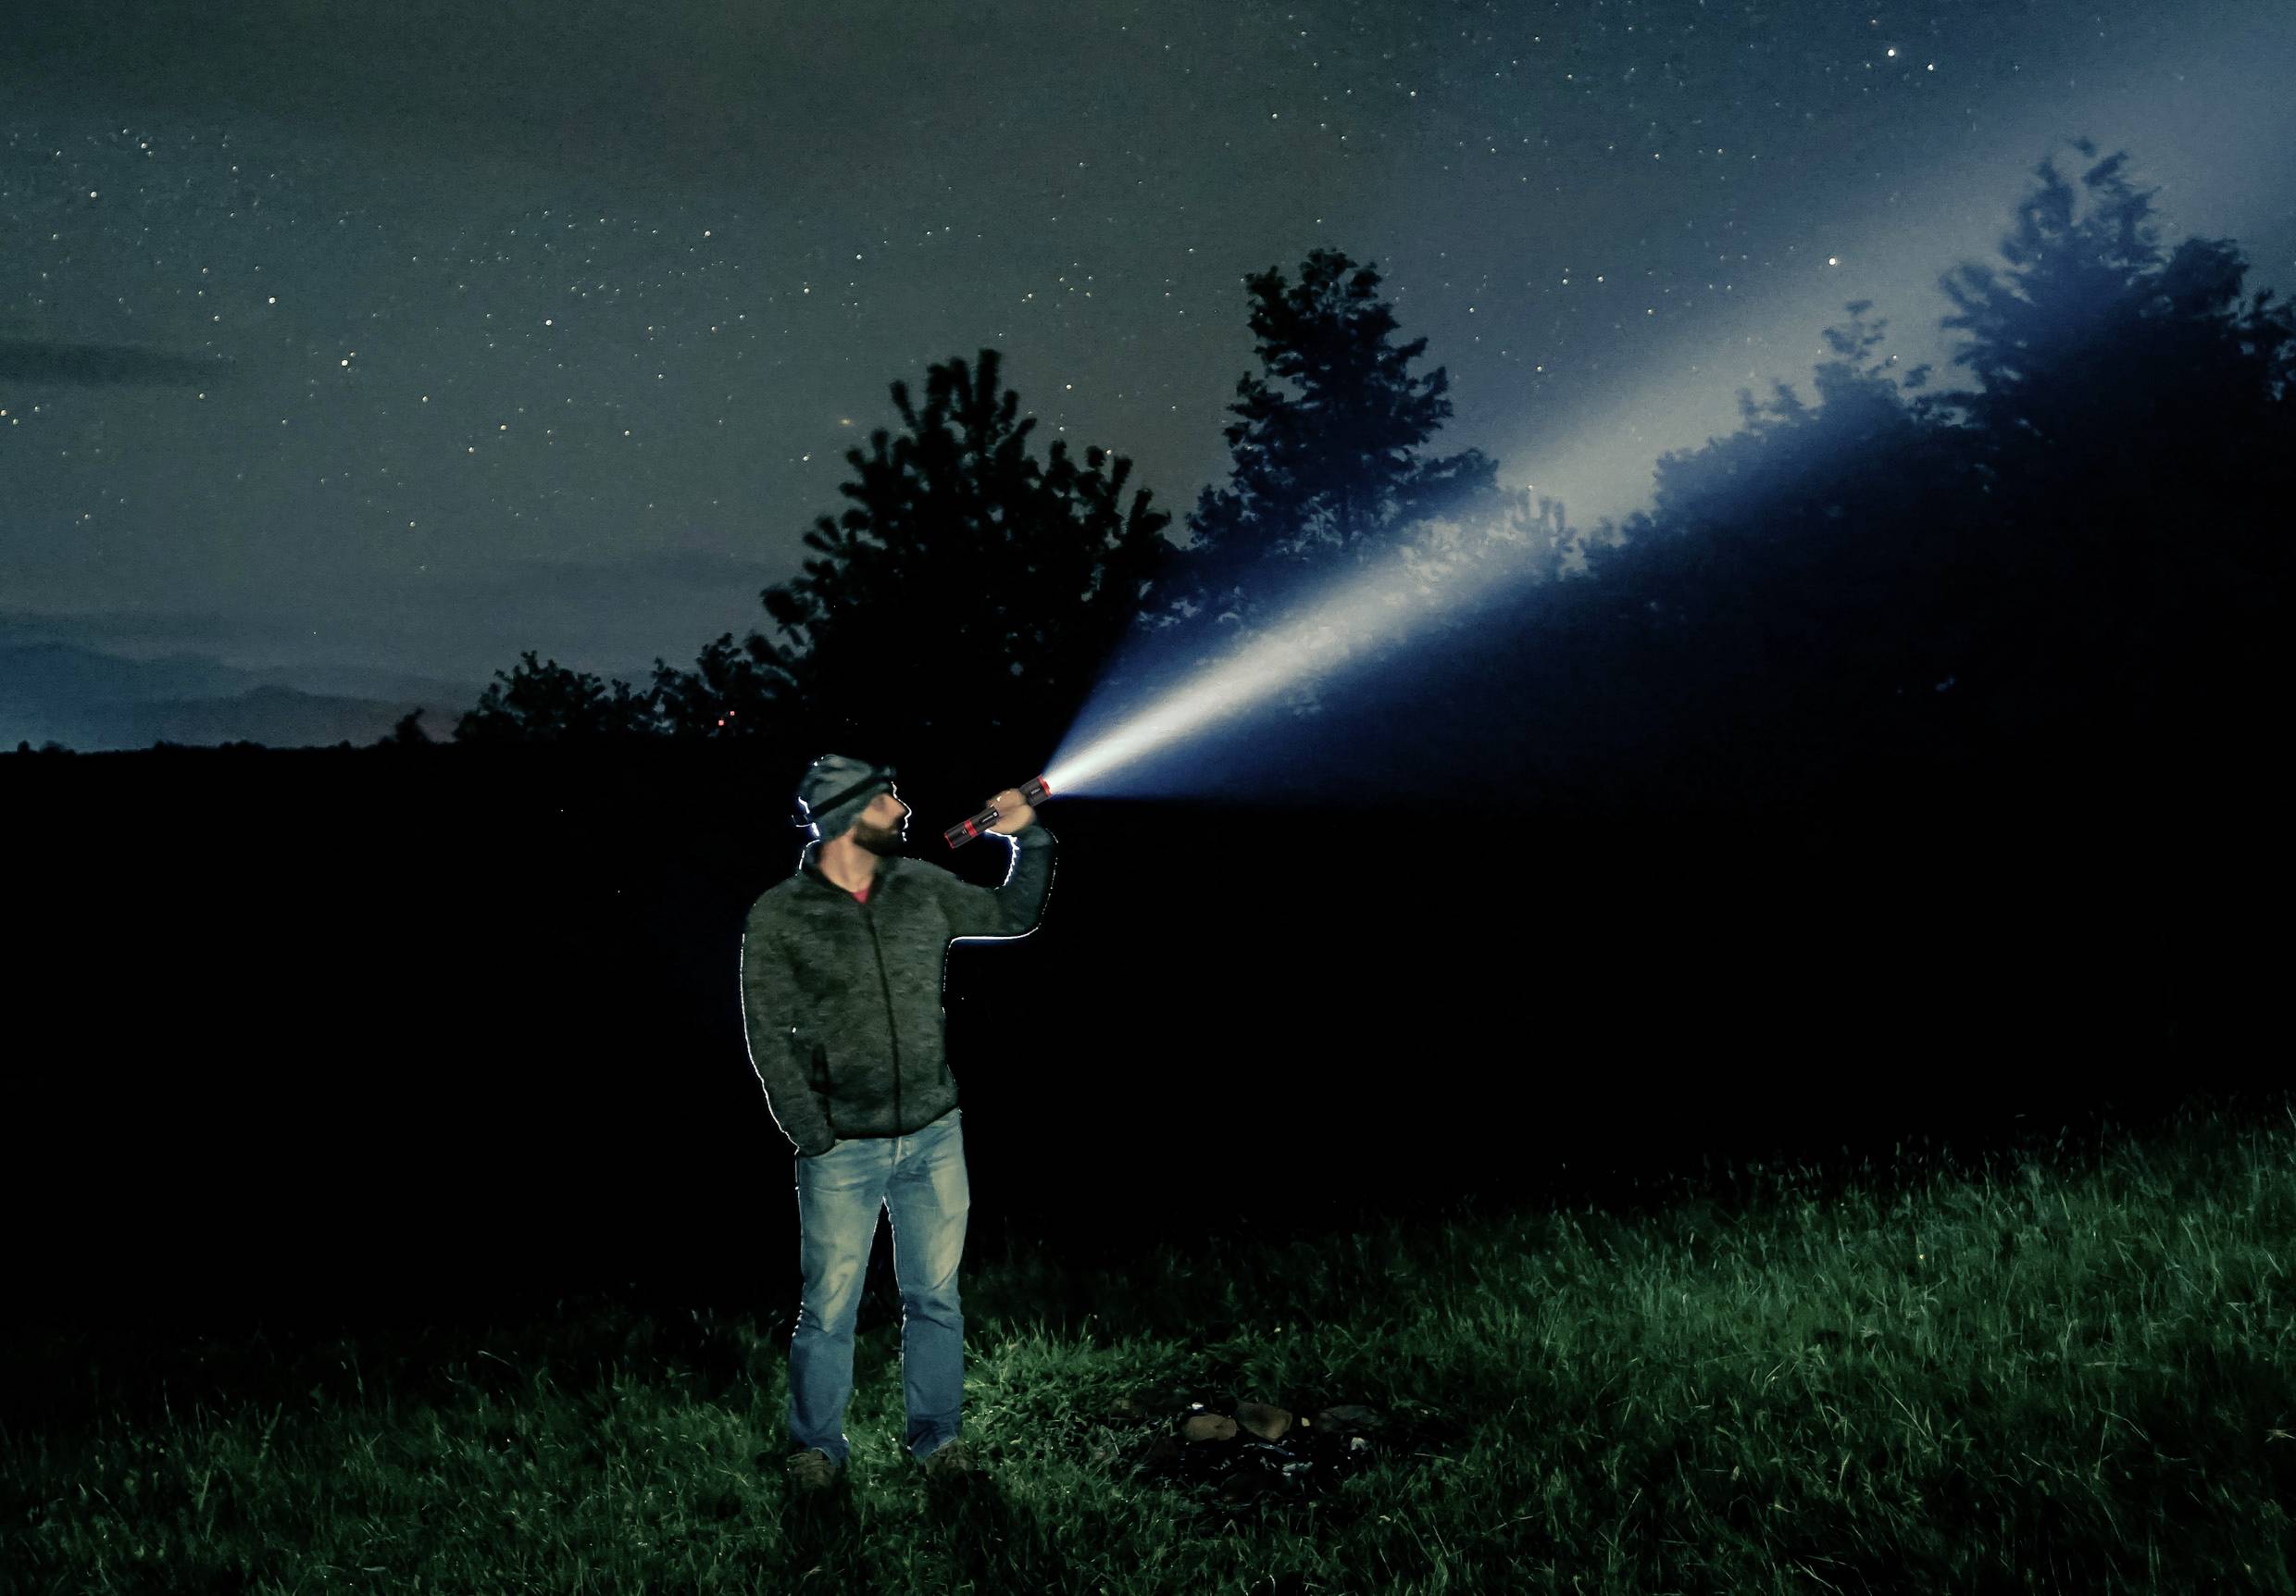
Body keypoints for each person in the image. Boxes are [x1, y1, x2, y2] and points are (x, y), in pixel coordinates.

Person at [741, 754, 1057, 1497]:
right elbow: (766, 1035)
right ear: (849, 813)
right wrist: (812, 1133)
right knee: (828, 1310)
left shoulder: (920, 886)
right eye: (888, 800)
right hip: (839, 1147)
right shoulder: (780, 914)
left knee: (935, 1298)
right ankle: (817, 1452)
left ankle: (938, 1443)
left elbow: (1013, 916)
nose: (904, 809)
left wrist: (1028, 841)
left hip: (933, 1133)